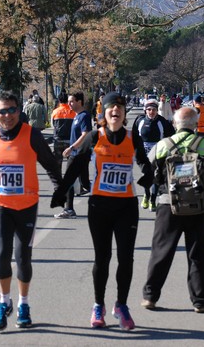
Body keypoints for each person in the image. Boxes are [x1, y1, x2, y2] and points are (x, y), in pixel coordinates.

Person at [52, 92, 153, 330]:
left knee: (126, 258)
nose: (115, 111)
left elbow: (144, 164)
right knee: (103, 258)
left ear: (124, 113)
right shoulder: (94, 136)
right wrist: (61, 192)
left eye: (120, 108)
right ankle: (98, 305)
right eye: (111, 108)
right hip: (99, 206)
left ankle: (121, 305)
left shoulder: (132, 136)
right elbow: (76, 165)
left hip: (126, 206)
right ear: (104, 114)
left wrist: (148, 177)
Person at [0, 91, 62, 331]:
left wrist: (59, 189)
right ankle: (4, 302)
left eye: (12, 110)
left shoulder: (31, 134)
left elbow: (50, 162)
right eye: (2, 111)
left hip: (26, 205)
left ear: (19, 111)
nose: (7, 115)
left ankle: (24, 304)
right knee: (1, 254)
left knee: (23, 256)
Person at [141, 106, 204, 313]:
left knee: (161, 252)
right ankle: (200, 301)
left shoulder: (163, 145)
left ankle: (150, 296)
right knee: (198, 254)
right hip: (200, 206)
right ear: (196, 124)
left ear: (175, 124)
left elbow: (149, 172)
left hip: (167, 204)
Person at [55, 92, 92, 219]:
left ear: (79, 102)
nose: (69, 104)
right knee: (85, 182)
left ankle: (69, 209)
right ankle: (106, 200)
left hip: (79, 154)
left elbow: (85, 133)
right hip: (77, 154)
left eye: (71, 101)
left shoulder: (84, 116)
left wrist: (72, 148)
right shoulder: (76, 116)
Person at [133, 99, 174, 211]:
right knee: (146, 175)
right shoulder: (139, 120)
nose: (151, 112)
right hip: (143, 153)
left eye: (154, 110)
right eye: (149, 109)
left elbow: (171, 136)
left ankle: (152, 200)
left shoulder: (162, 122)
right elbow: (134, 136)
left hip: (158, 152)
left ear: (157, 110)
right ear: (145, 110)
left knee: (156, 176)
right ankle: (146, 195)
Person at [50, 92, 76, 171]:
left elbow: (52, 125)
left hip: (58, 140)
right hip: (70, 140)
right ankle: (69, 180)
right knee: (71, 163)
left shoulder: (55, 112)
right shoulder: (73, 112)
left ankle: (59, 181)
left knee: (58, 162)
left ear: (59, 100)